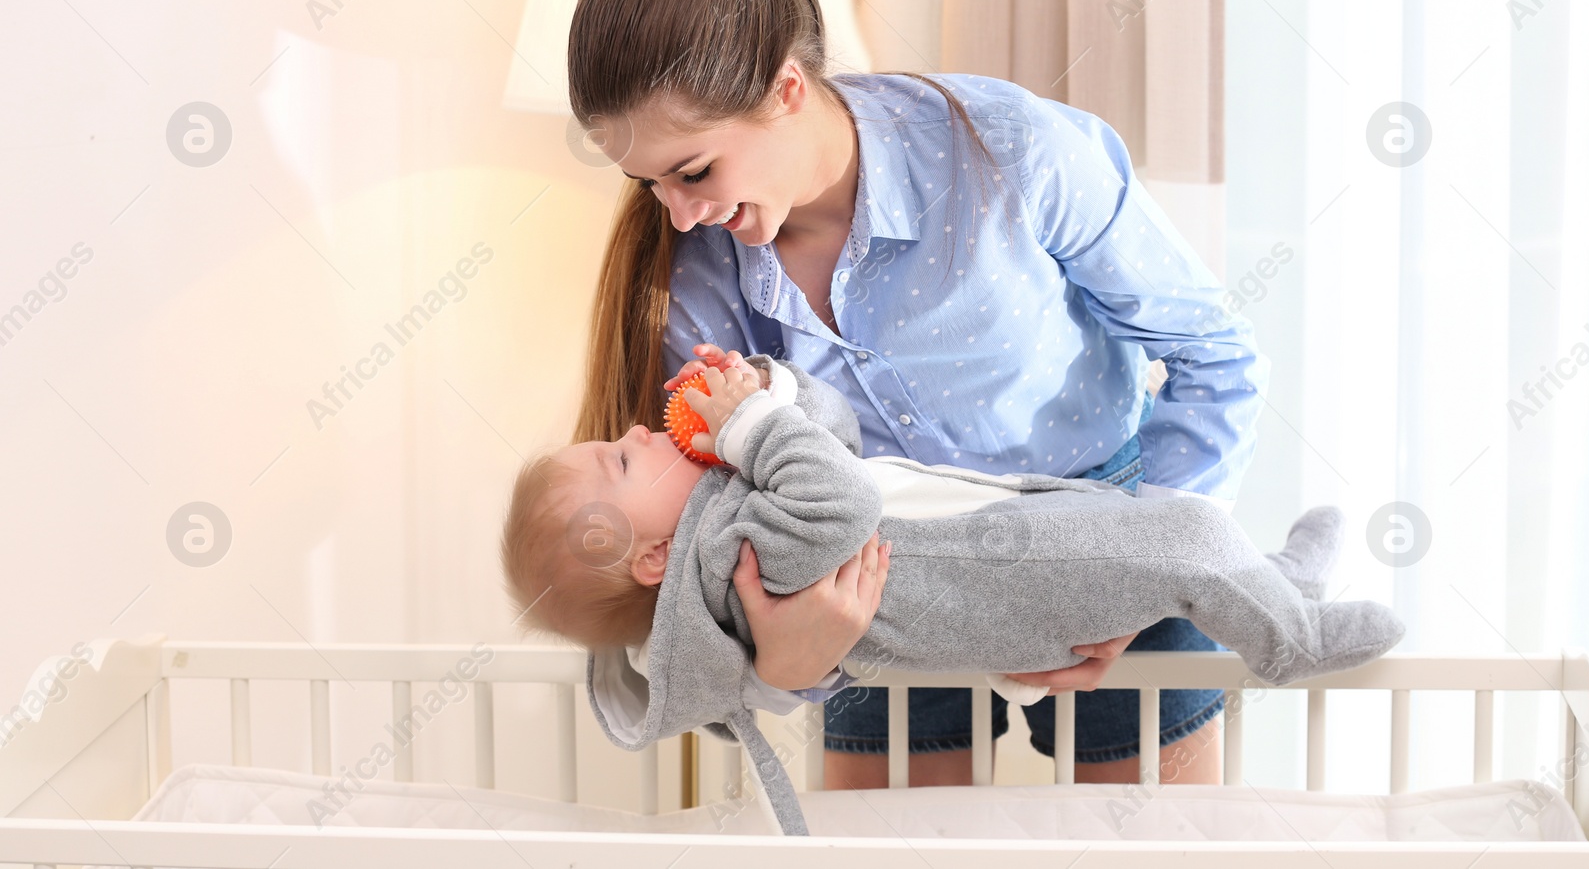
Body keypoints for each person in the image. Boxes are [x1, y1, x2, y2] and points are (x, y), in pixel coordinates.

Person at [567, 0, 1270, 787]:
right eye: (650, 182)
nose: (678, 212)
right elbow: (718, 518)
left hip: (1106, 521)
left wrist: (1144, 568)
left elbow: (1216, 356)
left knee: (1147, 846)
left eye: (695, 170)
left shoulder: (1016, 154)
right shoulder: (697, 268)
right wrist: (790, 658)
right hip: (871, 578)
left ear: (786, 88)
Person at [506, 350, 1398, 836]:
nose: (630, 430)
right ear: (653, 558)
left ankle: (1277, 585)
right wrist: (751, 424)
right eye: (618, 459)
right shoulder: (732, 552)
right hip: (999, 579)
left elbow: (836, 438)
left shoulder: (720, 501)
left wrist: (774, 391)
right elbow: (842, 497)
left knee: (1161, 536)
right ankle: (1291, 641)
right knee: (1185, 535)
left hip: (991, 546)